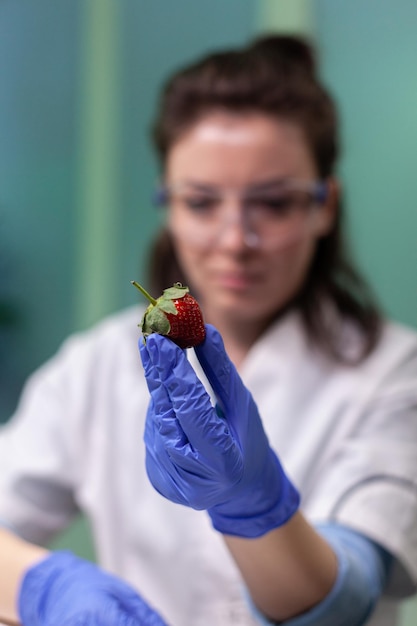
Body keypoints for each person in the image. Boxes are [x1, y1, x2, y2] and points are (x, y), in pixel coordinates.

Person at [1, 34, 417, 626]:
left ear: (325, 205)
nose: (233, 241)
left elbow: (349, 595)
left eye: (273, 203)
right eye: (200, 202)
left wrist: (255, 508)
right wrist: (42, 584)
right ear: (168, 206)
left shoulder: (395, 373)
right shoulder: (95, 366)